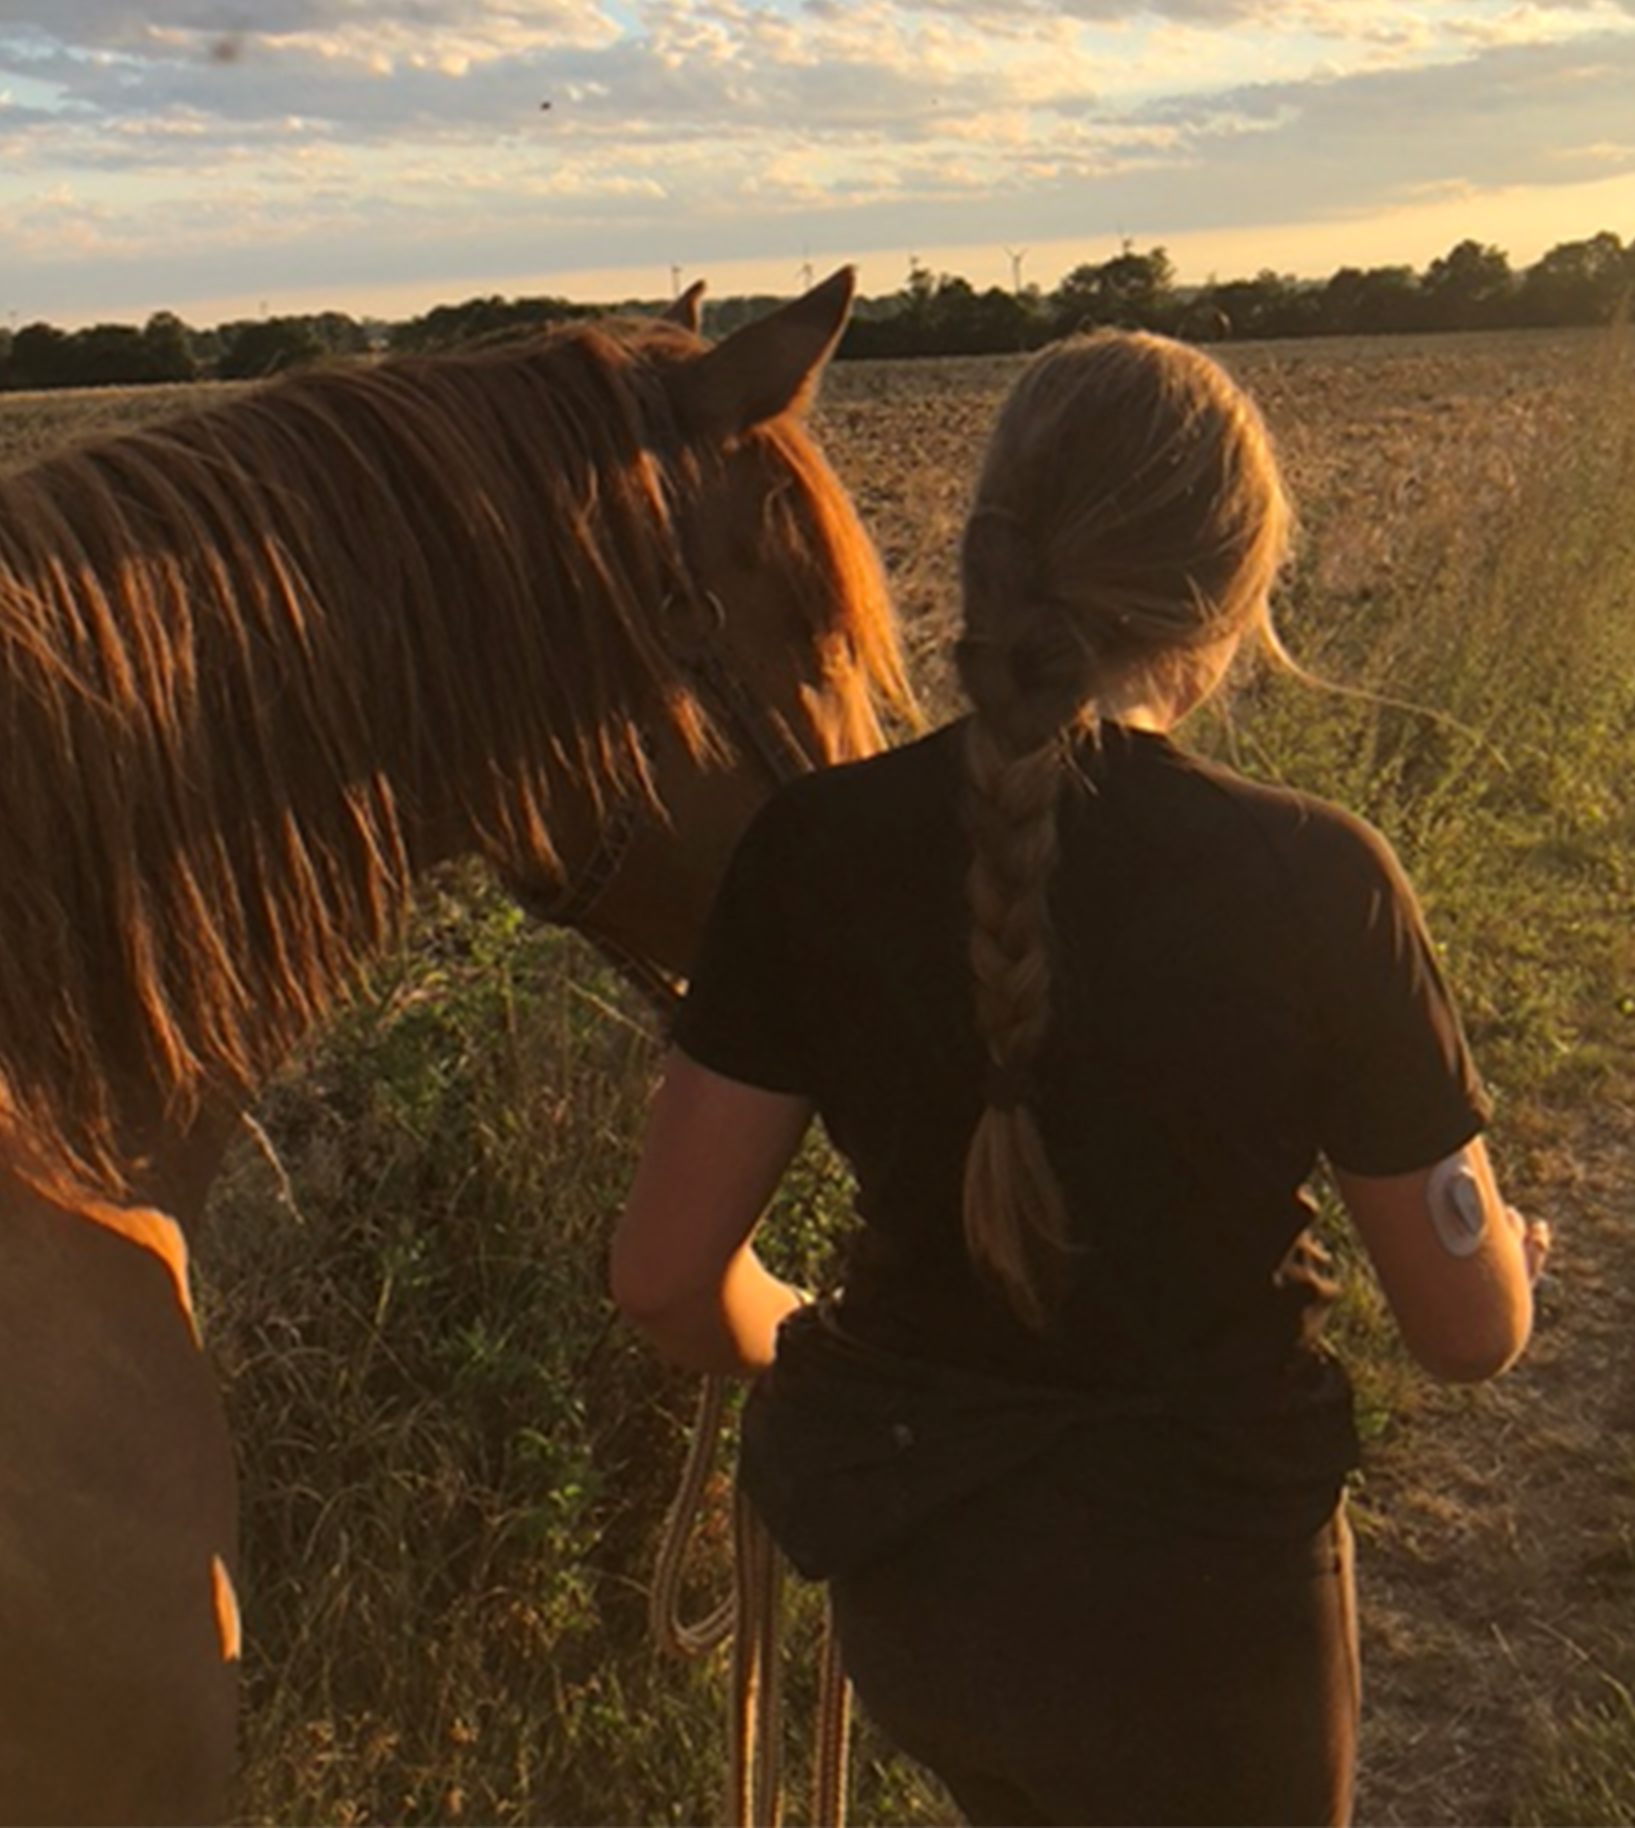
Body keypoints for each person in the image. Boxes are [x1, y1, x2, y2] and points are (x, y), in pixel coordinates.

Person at [611, 330, 1551, 1828]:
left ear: (990, 555)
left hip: (926, 1603)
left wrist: (824, 1342)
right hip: (1210, 1630)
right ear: (1234, 595)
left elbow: (667, 1281)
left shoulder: (808, 854)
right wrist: (1510, 1261)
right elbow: (1466, 1328)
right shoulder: (1318, 881)